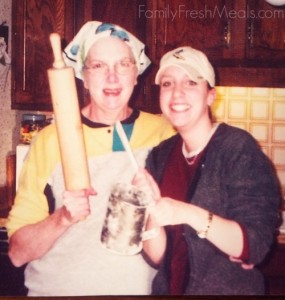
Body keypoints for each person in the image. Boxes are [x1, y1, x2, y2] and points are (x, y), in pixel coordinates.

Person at [6, 21, 175, 296]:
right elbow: (17, 252)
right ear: (83, 75)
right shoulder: (50, 141)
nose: (112, 77)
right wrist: (62, 218)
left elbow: (181, 243)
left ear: (137, 73)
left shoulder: (164, 135)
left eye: (123, 64)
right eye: (98, 66)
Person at [133, 46, 281, 295]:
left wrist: (187, 213)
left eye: (190, 82)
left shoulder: (237, 149)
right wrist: (151, 209)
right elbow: (157, 258)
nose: (177, 93)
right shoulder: (160, 155)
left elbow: (253, 246)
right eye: (168, 84)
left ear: (211, 95)